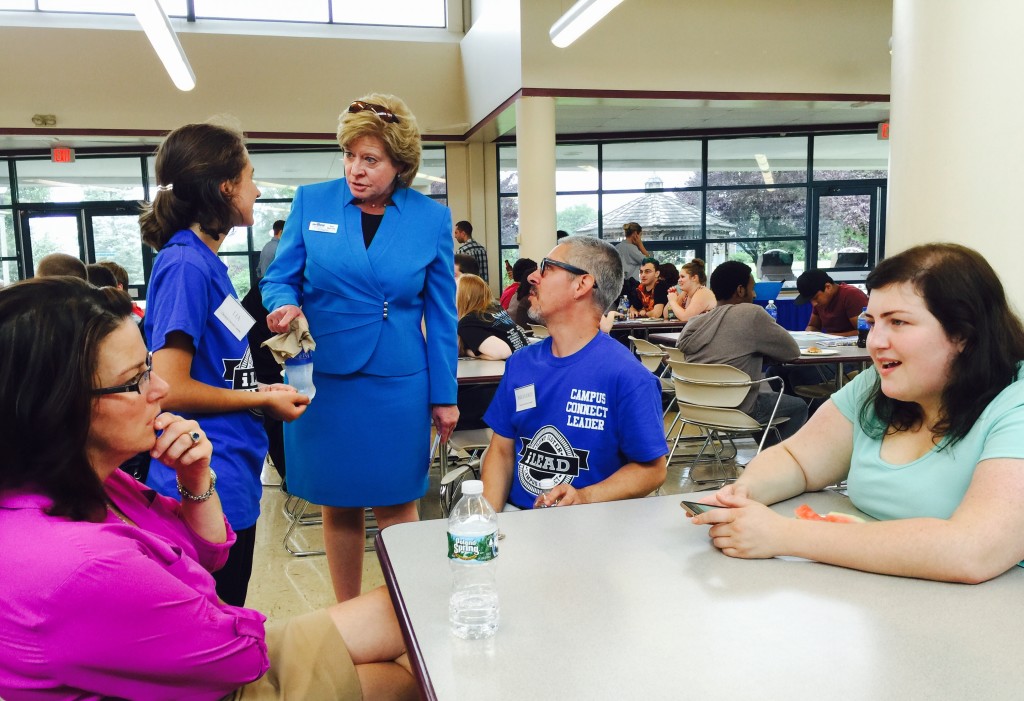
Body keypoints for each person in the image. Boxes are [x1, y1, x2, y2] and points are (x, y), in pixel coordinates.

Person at [0, 277, 415, 701]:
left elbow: (210, 553)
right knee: (406, 676)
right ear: (57, 405)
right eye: (136, 380)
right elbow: (240, 659)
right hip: (221, 670)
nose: (160, 389)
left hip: (210, 650)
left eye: (149, 368)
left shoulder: (87, 482)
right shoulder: (82, 566)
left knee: (410, 609)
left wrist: (196, 481)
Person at [690, 244, 1024, 584]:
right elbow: (798, 459)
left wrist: (785, 535)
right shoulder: (875, 385)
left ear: (963, 333)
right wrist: (745, 492)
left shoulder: (1016, 403)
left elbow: (975, 550)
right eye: (872, 321)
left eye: (898, 322)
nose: (875, 341)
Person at [260, 93, 458, 602]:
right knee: (338, 502)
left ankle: (406, 609)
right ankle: (348, 612)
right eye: (350, 155)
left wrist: (445, 393)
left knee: (398, 502)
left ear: (400, 164)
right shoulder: (312, 202)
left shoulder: (430, 220)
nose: (355, 169)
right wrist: (284, 305)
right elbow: (280, 279)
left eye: (370, 159)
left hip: (398, 381)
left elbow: (441, 316)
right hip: (324, 378)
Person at [140, 122, 309, 607]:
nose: (256, 189)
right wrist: (258, 398)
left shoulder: (209, 264)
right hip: (202, 475)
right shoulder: (185, 266)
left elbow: (218, 360)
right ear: (225, 186)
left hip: (230, 466)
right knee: (217, 614)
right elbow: (169, 386)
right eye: (250, 176)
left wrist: (263, 371)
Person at [481, 235, 668, 511]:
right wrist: (487, 523)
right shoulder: (521, 363)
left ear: (582, 284)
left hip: (591, 526)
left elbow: (653, 470)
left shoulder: (627, 376)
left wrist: (584, 497)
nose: (533, 277)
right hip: (517, 521)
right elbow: (501, 450)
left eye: (546, 268)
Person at [676, 261, 808, 442]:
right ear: (740, 290)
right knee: (798, 406)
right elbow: (792, 352)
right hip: (738, 409)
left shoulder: (695, 323)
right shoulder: (751, 314)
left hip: (698, 408)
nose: (754, 294)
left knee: (764, 400)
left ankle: (765, 457)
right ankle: (775, 460)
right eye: (752, 288)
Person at [457, 273, 528, 360]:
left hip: (514, 367)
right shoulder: (495, 308)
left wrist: (470, 352)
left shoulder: (467, 322)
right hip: (526, 359)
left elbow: (504, 352)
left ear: (466, 296)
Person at [795, 268, 868, 336]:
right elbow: (813, 326)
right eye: (810, 300)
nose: (814, 304)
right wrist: (809, 334)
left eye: (816, 298)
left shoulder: (851, 295)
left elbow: (865, 332)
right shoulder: (820, 302)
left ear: (828, 287)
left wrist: (829, 337)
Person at [665, 258, 716, 322]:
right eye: (679, 277)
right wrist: (673, 298)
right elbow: (667, 315)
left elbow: (685, 317)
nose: (679, 280)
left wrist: (673, 302)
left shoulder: (703, 292)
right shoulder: (685, 293)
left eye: (682, 277)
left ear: (694, 278)